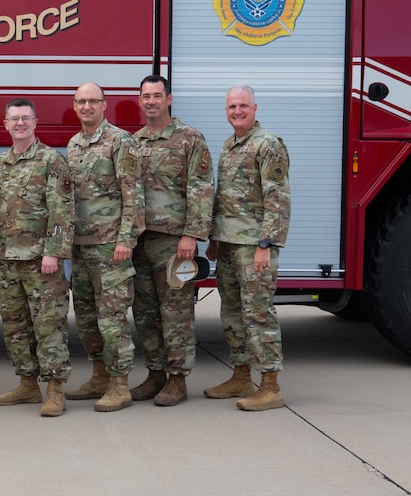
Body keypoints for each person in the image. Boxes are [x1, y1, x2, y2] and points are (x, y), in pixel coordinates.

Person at [204, 84, 291, 411]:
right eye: (231, 107)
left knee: (258, 314)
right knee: (232, 312)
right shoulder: (230, 145)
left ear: (254, 108)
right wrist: (214, 237)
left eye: (242, 105)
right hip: (228, 244)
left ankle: (270, 385)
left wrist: (265, 244)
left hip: (254, 246)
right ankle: (241, 375)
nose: (236, 111)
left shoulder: (268, 145)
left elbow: (277, 199)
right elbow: (224, 196)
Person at [0, 98, 75, 417]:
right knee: (14, 326)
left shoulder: (52, 160)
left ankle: (54, 389)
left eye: (26, 118)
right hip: (9, 261)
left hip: (42, 262)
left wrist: (54, 252)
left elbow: (62, 211)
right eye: (14, 119)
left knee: (49, 325)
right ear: (5, 124)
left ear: (36, 123)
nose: (20, 123)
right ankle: (27, 384)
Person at [130, 75, 214, 406]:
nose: (151, 101)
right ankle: (155, 375)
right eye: (145, 96)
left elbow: (202, 188)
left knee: (175, 312)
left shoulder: (189, 139)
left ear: (169, 99)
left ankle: (177, 379)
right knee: (145, 311)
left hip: (175, 242)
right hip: (140, 242)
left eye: (156, 96)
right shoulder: (134, 142)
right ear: (140, 101)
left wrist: (192, 235)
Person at [64, 82, 144, 412]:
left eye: (92, 101)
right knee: (85, 319)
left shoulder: (119, 141)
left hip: (112, 247)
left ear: (104, 105)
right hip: (81, 248)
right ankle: (99, 376)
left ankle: (119, 384)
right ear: (74, 105)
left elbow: (133, 194)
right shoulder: (73, 145)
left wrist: (127, 239)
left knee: (112, 320)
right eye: (81, 101)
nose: (86, 106)